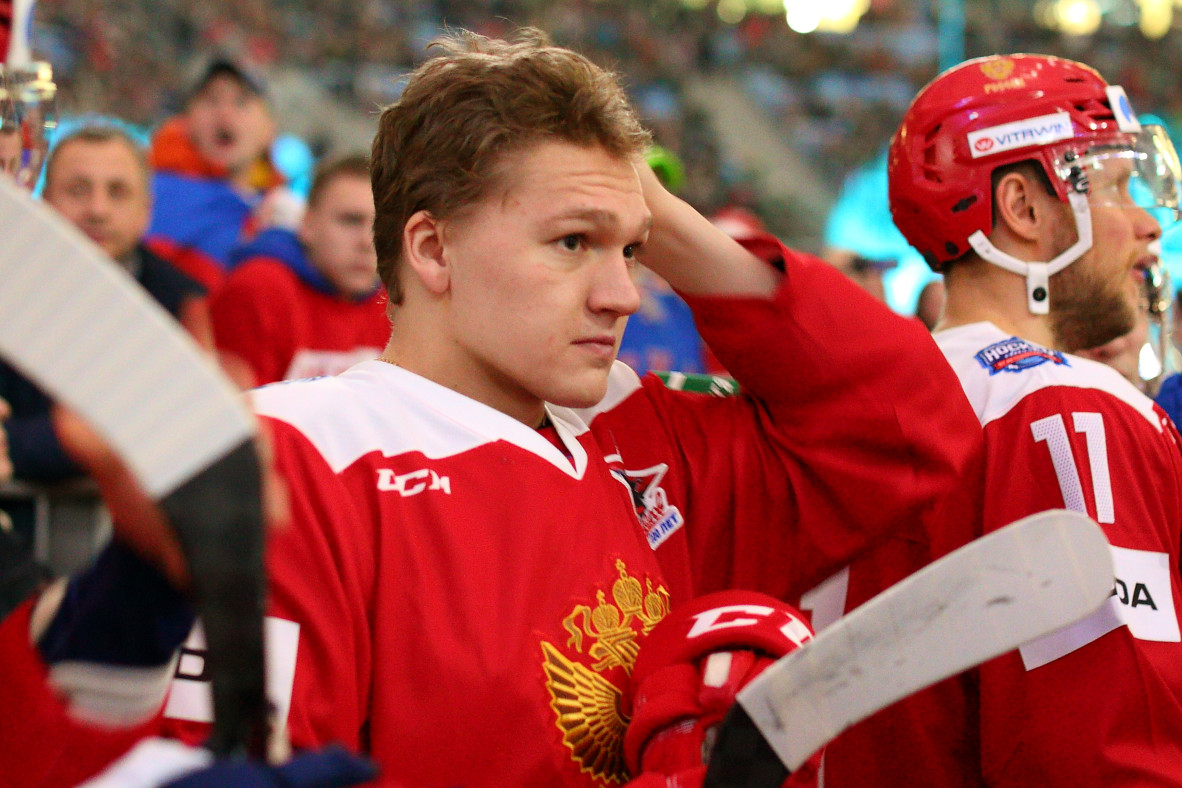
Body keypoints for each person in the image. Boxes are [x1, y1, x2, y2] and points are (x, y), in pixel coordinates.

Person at [3, 28, 978, 788]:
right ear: (431, 250)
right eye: (572, 243)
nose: (623, 295)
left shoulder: (644, 437)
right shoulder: (300, 456)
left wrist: (659, 216)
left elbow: (911, 424)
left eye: (630, 251)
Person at [813, 54, 1182, 785]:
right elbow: (1113, 755)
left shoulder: (861, 398)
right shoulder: (1073, 407)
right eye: (1116, 187)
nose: (1146, 224)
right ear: (1023, 208)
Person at [2, 123, 211, 485]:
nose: (97, 210)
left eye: (118, 192)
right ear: (43, 201)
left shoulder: (181, 301)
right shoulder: (8, 293)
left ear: (146, 210)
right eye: (77, 190)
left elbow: (187, 433)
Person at [210, 154, 390, 387]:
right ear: (308, 224)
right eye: (350, 220)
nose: (367, 242)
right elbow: (238, 403)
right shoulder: (259, 287)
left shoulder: (392, 306)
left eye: (381, 226)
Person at [144, 59, 285, 290]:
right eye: (211, 100)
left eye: (241, 102)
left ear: (270, 129)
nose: (224, 114)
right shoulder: (148, 192)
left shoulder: (282, 219)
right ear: (187, 119)